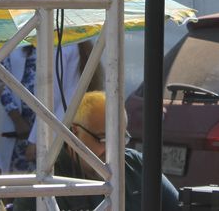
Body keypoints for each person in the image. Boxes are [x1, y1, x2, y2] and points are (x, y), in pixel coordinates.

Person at [12, 90, 180, 211]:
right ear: (74, 133)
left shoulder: (136, 165)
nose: (114, 150)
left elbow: (179, 206)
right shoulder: (42, 185)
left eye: (121, 140)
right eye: (104, 139)